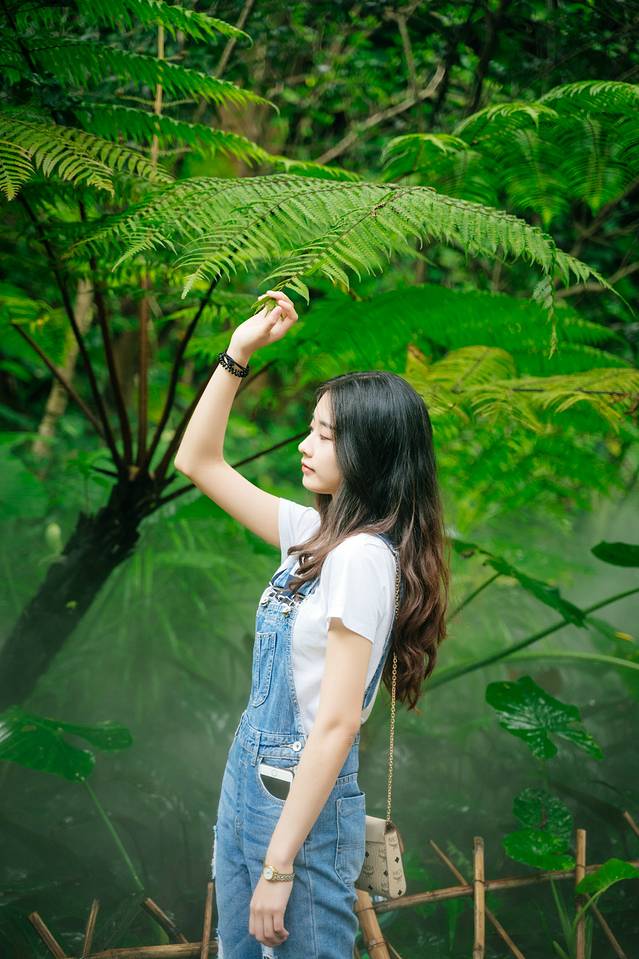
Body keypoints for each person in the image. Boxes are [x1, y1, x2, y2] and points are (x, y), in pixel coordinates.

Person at [174, 289, 450, 958]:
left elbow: (336, 724)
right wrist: (238, 352)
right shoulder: (314, 537)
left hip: (298, 801)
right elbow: (198, 462)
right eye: (311, 428)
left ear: (371, 451)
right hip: (247, 778)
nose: (305, 445)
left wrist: (279, 864)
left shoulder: (360, 558)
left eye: (325, 435)